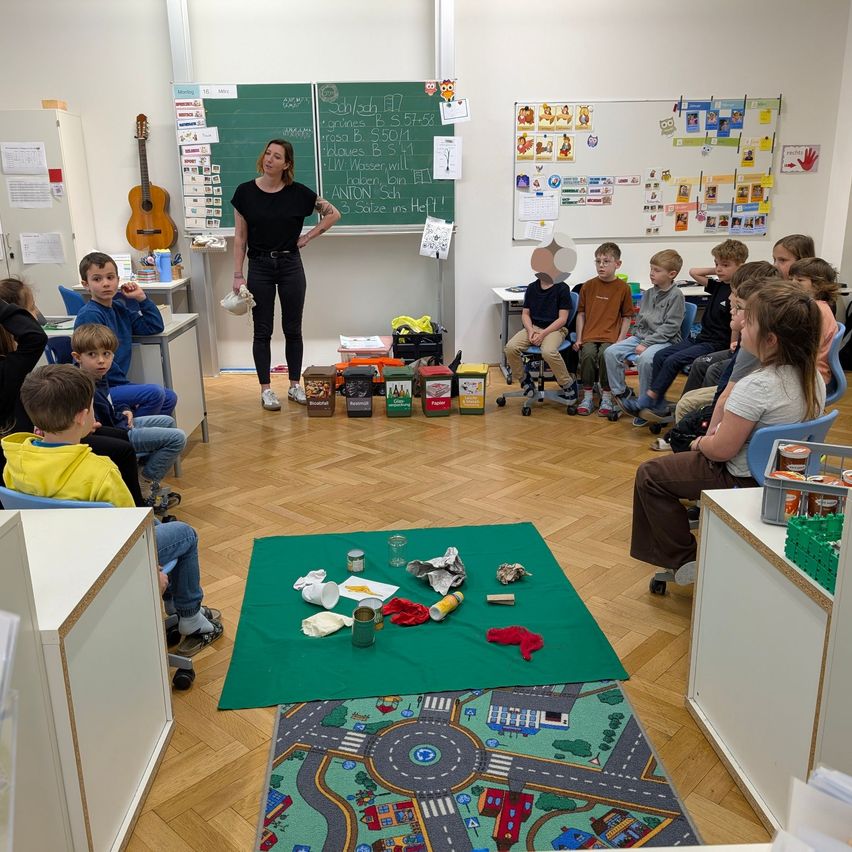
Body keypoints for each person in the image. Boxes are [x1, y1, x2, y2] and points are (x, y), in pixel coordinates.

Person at [2, 365, 223, 655]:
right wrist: (150, 569)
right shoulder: (100, 471)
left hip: (56, 555)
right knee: (184, 533)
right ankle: (190, 617)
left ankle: (177, 605)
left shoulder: (15, 460)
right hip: (105, 558)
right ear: (83, 416)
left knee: (158, 526)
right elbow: (132, 534)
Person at [631, 281, 825, 584]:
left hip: (740, 473)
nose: (741, 326)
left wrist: (697, 443)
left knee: (650, 475)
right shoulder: (812, 376)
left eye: (748, 322)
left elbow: (721, 450)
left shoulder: (758, 385)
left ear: (770, 339)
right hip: (785, 471)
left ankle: (684, 560)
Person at [0, 278, 147, 508]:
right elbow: (35, 337)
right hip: (49, 437)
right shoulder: (11, 369)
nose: (36, 315)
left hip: (42, 433)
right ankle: (142, 513)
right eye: (30, 309)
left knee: (119, 437)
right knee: (123, 449)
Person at [231, 138, 341, 410]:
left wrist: (309, 236)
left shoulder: (299, 193)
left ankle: (294, 386)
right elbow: (239, 237)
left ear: (287, 164)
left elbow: (333, 214)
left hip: (291, 265)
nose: (269, 159)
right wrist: (237, 274)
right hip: (259, 267)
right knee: (262, 331)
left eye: (277, 156)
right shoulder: (244, 192)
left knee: (293, 329)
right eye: (267, 153)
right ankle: (266, 390)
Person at [621, 238, 747, 422]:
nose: (718, 269)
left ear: (740, 266)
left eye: (725, 265)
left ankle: (649, 399)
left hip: (715, 344)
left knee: (673, 360)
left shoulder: (737, 291)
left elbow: (736, 325)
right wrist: (721, 269)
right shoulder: (718, 285)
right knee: (660, 355)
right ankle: (658, 401)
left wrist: (735, 271)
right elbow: (694, 272)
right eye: (716, 264)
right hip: (700, 338)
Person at [71, 323, 186, 508]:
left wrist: (124, 409)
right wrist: (123, 420)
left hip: (120, 423)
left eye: (106, 354)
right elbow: (102, 424)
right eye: (92, 354)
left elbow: (109, 403)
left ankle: (142, 475)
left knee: (168, 421)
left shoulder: (99, 376)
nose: (101, 360)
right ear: (78, 357)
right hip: (117, 434)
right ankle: (144, 483)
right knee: (177, 439)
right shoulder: (84, 385)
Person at [74, 251, 177, 417]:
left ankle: (135, 432)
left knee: (169, 397)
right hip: (99, 389)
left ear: (118, 280)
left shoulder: (118, 308)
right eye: (97, 279)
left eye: (110, 277)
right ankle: (127, 433)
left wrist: (141, 298)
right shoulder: (90, 315)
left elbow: (153, 326)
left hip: (117, 384)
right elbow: (96, 360)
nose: (106, 284)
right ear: (86, 284)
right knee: (155, 393)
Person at [604, 249, 685, 421]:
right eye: (651, 269)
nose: (651, 274)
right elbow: (640, 319)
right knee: (611, 352)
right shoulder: (649, 292)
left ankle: (645, 402)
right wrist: (634, 339)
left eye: (656, 270)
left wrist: (646, 343)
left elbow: (670, 327)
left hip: (665, 340)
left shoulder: (676, 296)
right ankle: (621, 393)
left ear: (672, 274)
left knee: (646, 359)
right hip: (642, 337)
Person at [679, 260, 777, 396]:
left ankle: (698, 409)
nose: (730, 297)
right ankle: (689, 403)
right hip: (737, 350)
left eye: (734, 293)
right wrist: (735, 342)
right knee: (700, 364)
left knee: (714, 371)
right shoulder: (744, 317)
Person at [504, 232, 576, 398]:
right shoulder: (531, 287)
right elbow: (525, 314)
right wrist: (530, 331)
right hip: (534, 327)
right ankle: (525, 380)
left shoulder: (562, 288)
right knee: (510, 348)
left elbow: (562, 319)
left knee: (548, 352)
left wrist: (543, 334)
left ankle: (567, 384)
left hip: (555, 330)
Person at [572, 242, 634, 416]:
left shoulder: (623, 288)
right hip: (590, 334)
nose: (601, 265)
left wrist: (620, 340)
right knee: (588, 354)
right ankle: (588, 396)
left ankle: (606, 396)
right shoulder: (588, 286)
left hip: (611, 337)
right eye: (598, 261)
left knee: (605, 354)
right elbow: (581, 314)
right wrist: (579, 338)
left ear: (617, 264)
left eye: (606, 261)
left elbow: (627, 317)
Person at [789, 257, 840, 389]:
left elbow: (800, 347)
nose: (793, 283)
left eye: (799, 280)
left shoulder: (814, 310)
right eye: (791, 279)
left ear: (819, 286)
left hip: (813, 377)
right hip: (812, 373)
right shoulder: (819, 306)